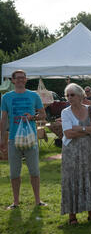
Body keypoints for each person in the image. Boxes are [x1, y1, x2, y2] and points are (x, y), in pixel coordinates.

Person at [0, 70, 47, 210]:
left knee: (34, 171)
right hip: (14, 139)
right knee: (14, 172)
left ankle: (38, 200)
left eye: (23, 78)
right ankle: (15, 202)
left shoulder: (34, 95)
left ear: (26, 80)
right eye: (18, 78)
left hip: (30, 139)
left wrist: (32, 117)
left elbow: (43, 114)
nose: (21, 80)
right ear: (13, 80)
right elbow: (3, 119)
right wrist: (1, 138)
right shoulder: (6, 97)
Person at [60, 83, 91, 224]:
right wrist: (87, 128)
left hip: (88, 150)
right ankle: (72, 216)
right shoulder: (65, 112)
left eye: (72, 95)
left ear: (80, 96)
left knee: (89, 178)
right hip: (71, 151)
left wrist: (79, 128)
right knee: (72, 179)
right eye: (67, 95)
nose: (69, 98)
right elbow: (68, 133)